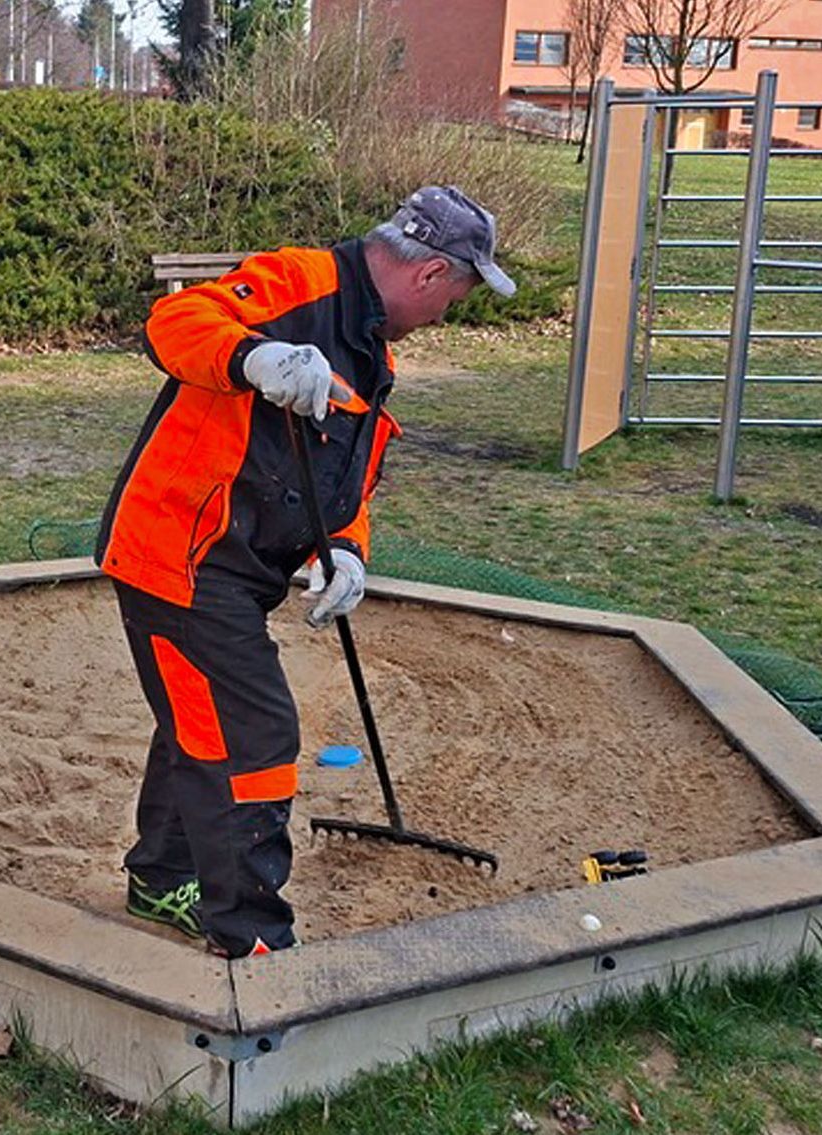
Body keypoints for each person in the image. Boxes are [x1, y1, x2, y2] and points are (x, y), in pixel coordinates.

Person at [94, 186, 514, 958]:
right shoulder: (298, 280)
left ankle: (161, 876)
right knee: (254, 734)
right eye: (454, 296)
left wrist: (346, 547)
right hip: (179, 556)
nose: (446, 312)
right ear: (429, 273)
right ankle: (251, 934)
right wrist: (253, 356)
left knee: (202, 720)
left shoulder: (372, 352)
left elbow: (348, 475)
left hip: (237, 570)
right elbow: (174, 321)